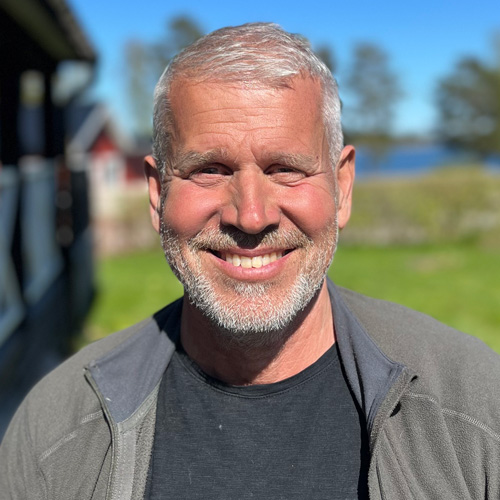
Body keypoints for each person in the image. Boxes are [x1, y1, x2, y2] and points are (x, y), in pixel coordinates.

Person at [1, 22, 500, 500]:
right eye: (210, 170)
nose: (252, 215)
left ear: (342, 187)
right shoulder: (55, 431)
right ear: (157, 195)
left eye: (285, 169)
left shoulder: (474, 413)